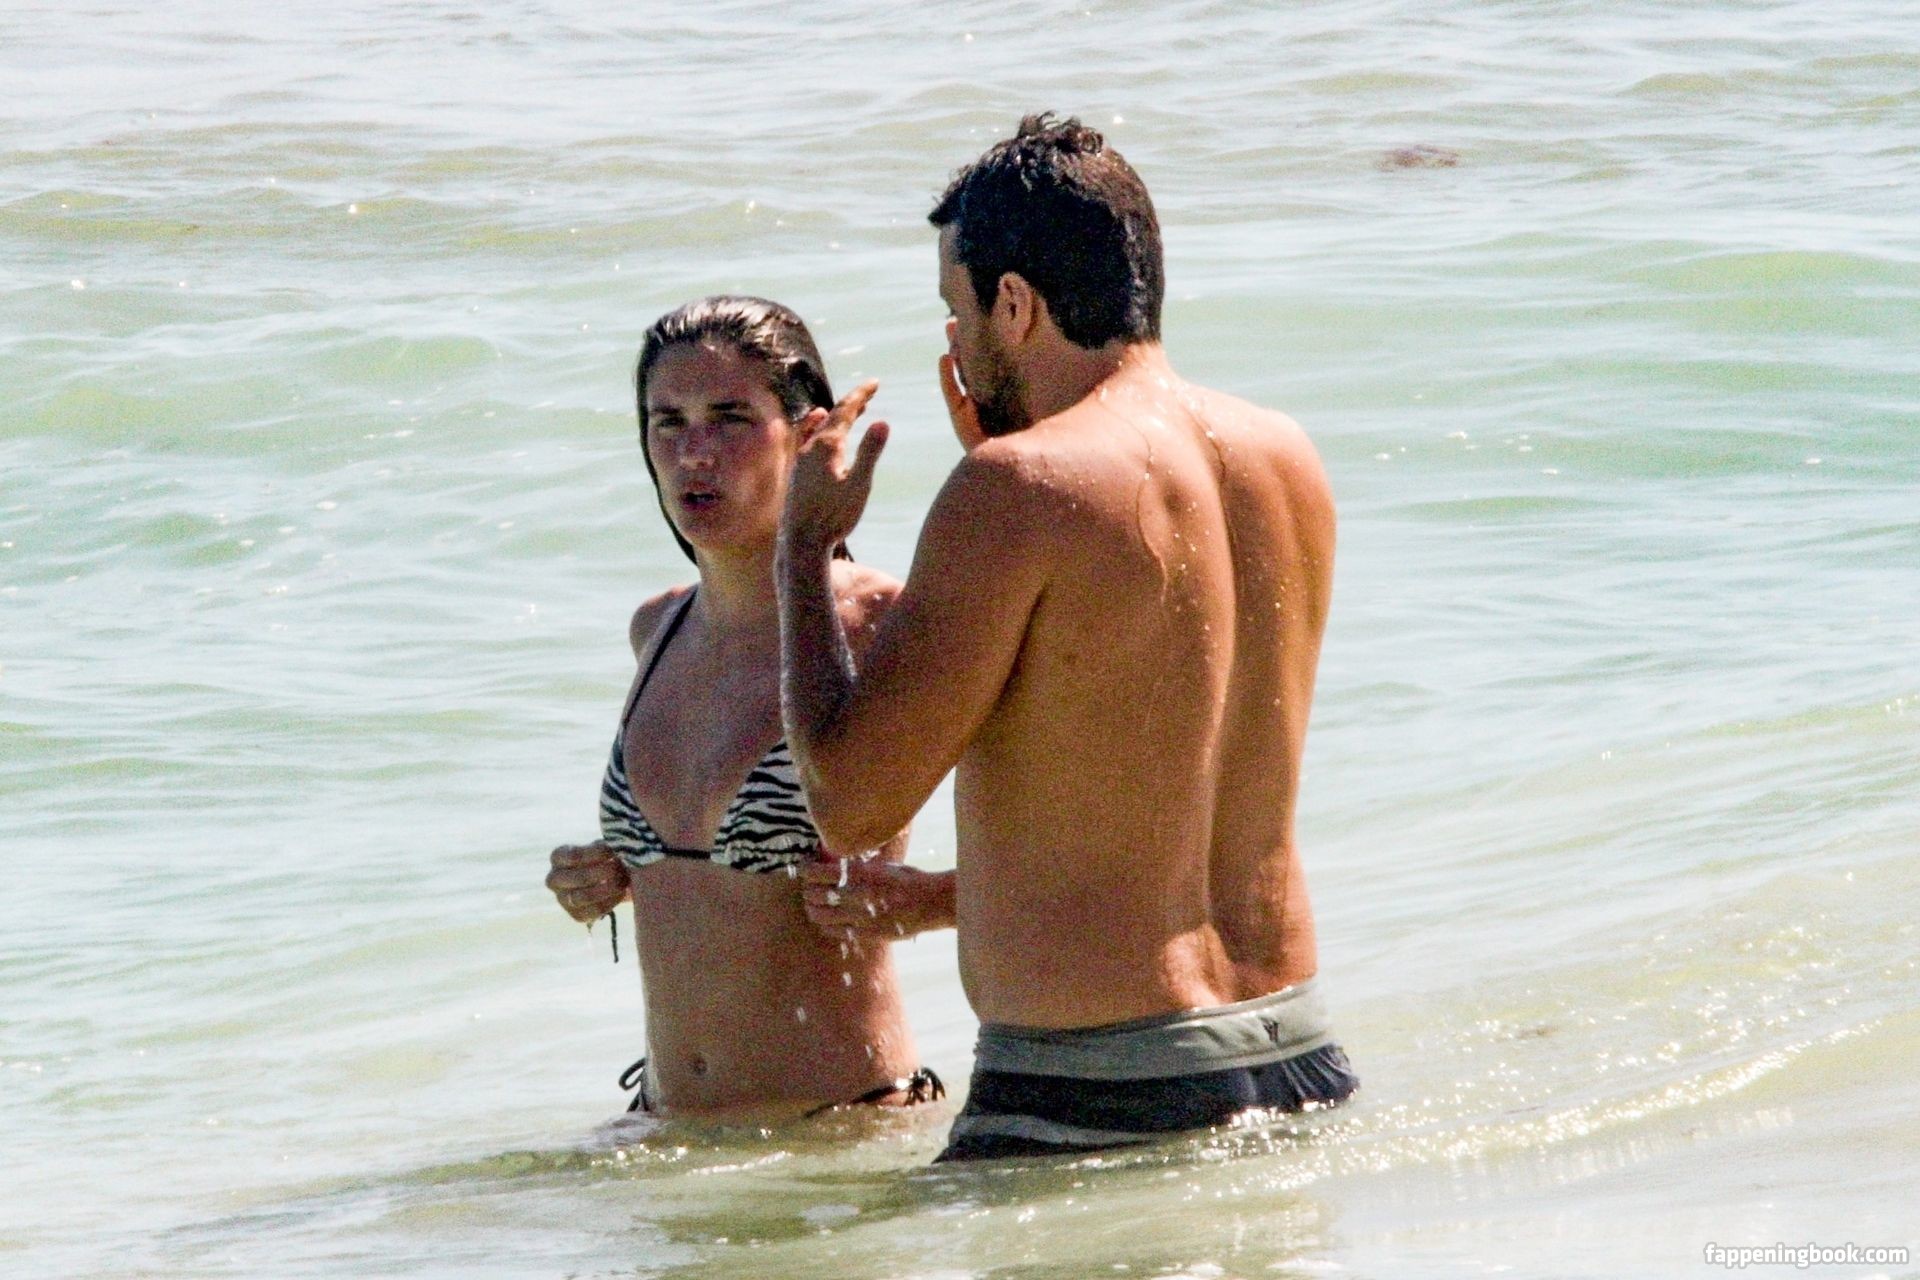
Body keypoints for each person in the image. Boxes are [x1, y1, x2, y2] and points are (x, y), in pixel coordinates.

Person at [775, 115, 1358, 1160]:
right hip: (1299, 1055)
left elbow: (850, 804)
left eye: (956, 310)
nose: (954, 343)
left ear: (1015, 303)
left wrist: (803, 548)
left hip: (1096, 1092)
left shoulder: (1017, 488)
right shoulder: (1284, 455)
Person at [544, 296, 952, 1118]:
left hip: (842, 1130)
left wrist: (934, 902)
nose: (694, 453)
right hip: (664, 1129)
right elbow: (714, 883)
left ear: (810, 434)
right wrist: (609, 875)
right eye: (667, 422)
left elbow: (1063, 853)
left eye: (730, 419)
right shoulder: (657, 629)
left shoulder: (885, 624)